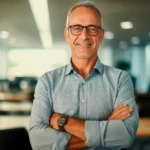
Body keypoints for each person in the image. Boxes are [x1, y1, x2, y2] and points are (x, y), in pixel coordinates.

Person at [29, 1, 139, 150]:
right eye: (76, 28)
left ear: (101, 36)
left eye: (92, 29)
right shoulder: (47, 81)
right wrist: (108, 123)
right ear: (67, 35)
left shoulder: (121, 79)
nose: (84, 35)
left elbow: (125, 136)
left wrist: (64, 122)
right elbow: (38, 142)